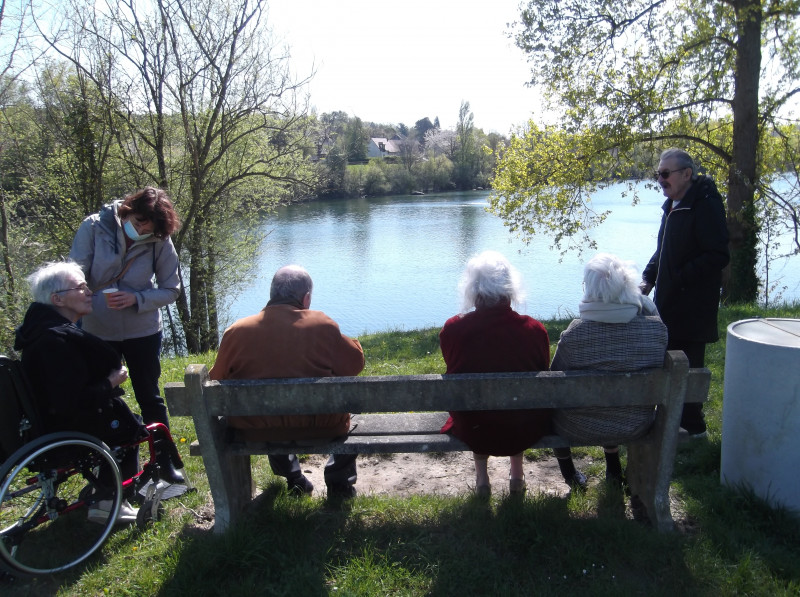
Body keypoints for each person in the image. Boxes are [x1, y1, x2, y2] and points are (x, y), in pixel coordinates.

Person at [209, 265, 365, 498]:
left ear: (272, 295)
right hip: (322, 426)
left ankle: (295, 479)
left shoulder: (237, 331)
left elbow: (215, 378)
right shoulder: (322, 325)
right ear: (307, 298)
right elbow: (355, 365)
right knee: (356, 413)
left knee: (269, 410)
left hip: (255, 429)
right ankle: (339, 483)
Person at [14, 262, 148, 524]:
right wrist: (110, 383)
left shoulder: (42, 333)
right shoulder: (56, 342)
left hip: (44, 425)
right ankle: (109, 502)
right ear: (58, 299)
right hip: (65, 429)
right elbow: (72, 401)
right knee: (131, 428)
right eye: (81, 287)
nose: (89, 292)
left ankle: (101, 488)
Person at [69, 187, 183, 481]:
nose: (143, 229)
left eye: (151, 226)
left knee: (150, 396)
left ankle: (165, 463)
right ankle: (106, 466)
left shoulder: (159, 239)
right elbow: (74, 274)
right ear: (129, 209)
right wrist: (86, 298)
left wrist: (137, 300)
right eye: (141, 221)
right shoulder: (93, 227)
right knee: (101, 398)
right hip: (97, 330)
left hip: (142, 330)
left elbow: (171, 289)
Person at [439, 250, 553, 497]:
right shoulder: (535, 330)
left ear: (472, 288)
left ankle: (482, 479)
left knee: (478, 409)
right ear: (509, 287)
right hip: (524, 426)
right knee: (518, 404)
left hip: (474, 426)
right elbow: (541, 371)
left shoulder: (453, 329)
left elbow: (452, 366)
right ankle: (517, 475)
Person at [550, 253, 668, 486]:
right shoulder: (656, 330)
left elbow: (553, 385)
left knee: (560, 405)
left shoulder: (575, 334)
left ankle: (570, 475)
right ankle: (614, 469)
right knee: (616, 400)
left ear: (590, 289)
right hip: (636, 424)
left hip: (577, 427)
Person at [639, 148, 730, 438]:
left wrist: (679, 278)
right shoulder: (673, 204)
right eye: (658, 174)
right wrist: (648, 279)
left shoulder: (705, 204)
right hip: (668, 303)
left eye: (665, 174)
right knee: (667, 361)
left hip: (692, 306)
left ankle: (694, 429)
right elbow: (663, 250)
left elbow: (717, 254)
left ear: (686, 174)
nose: (661, 180)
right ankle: (672, 422)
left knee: (689, 367)